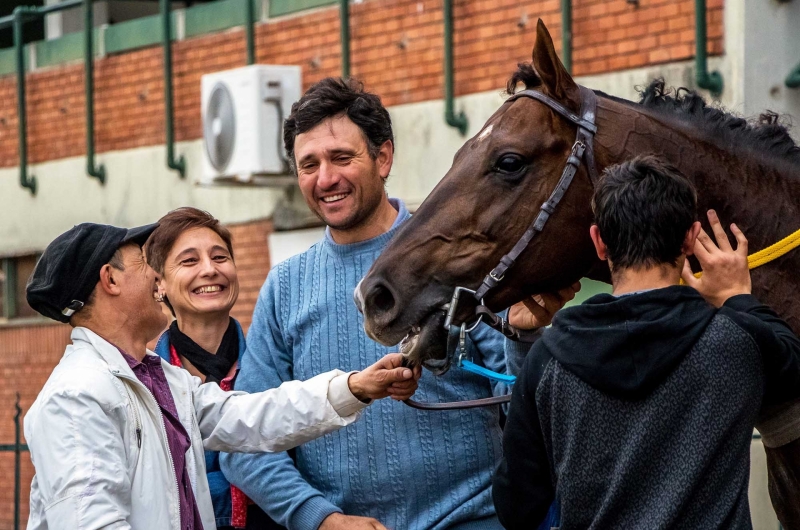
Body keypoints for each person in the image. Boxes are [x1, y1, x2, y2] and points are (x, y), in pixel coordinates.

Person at [220, 77, 576, 530]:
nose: (325, 178)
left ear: (383, 157)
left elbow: (525, 412)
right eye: (308, 164)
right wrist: (322, 519)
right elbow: (245, 441)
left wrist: (524, 335)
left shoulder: (461, 258)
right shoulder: (284, 287)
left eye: (341, 157)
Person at [23, 221, 420, 529]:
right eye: (146, 265)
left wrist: (355, 387)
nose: (157, 281)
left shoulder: (158, 380)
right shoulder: (76, 398)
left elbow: (253, 417)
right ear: (110, 279)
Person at [492, 156, 800, 529]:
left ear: (599, 242)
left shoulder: (547, 361)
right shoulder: (738, 341)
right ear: (690, 238)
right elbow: (793, 365)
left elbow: (516, 506)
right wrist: (737, 296)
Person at [145, 207, 281, 529]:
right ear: (159, 283)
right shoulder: (145, 387)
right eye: (189, 261)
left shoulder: (276, 368)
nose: (209, 270)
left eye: (220, 257)